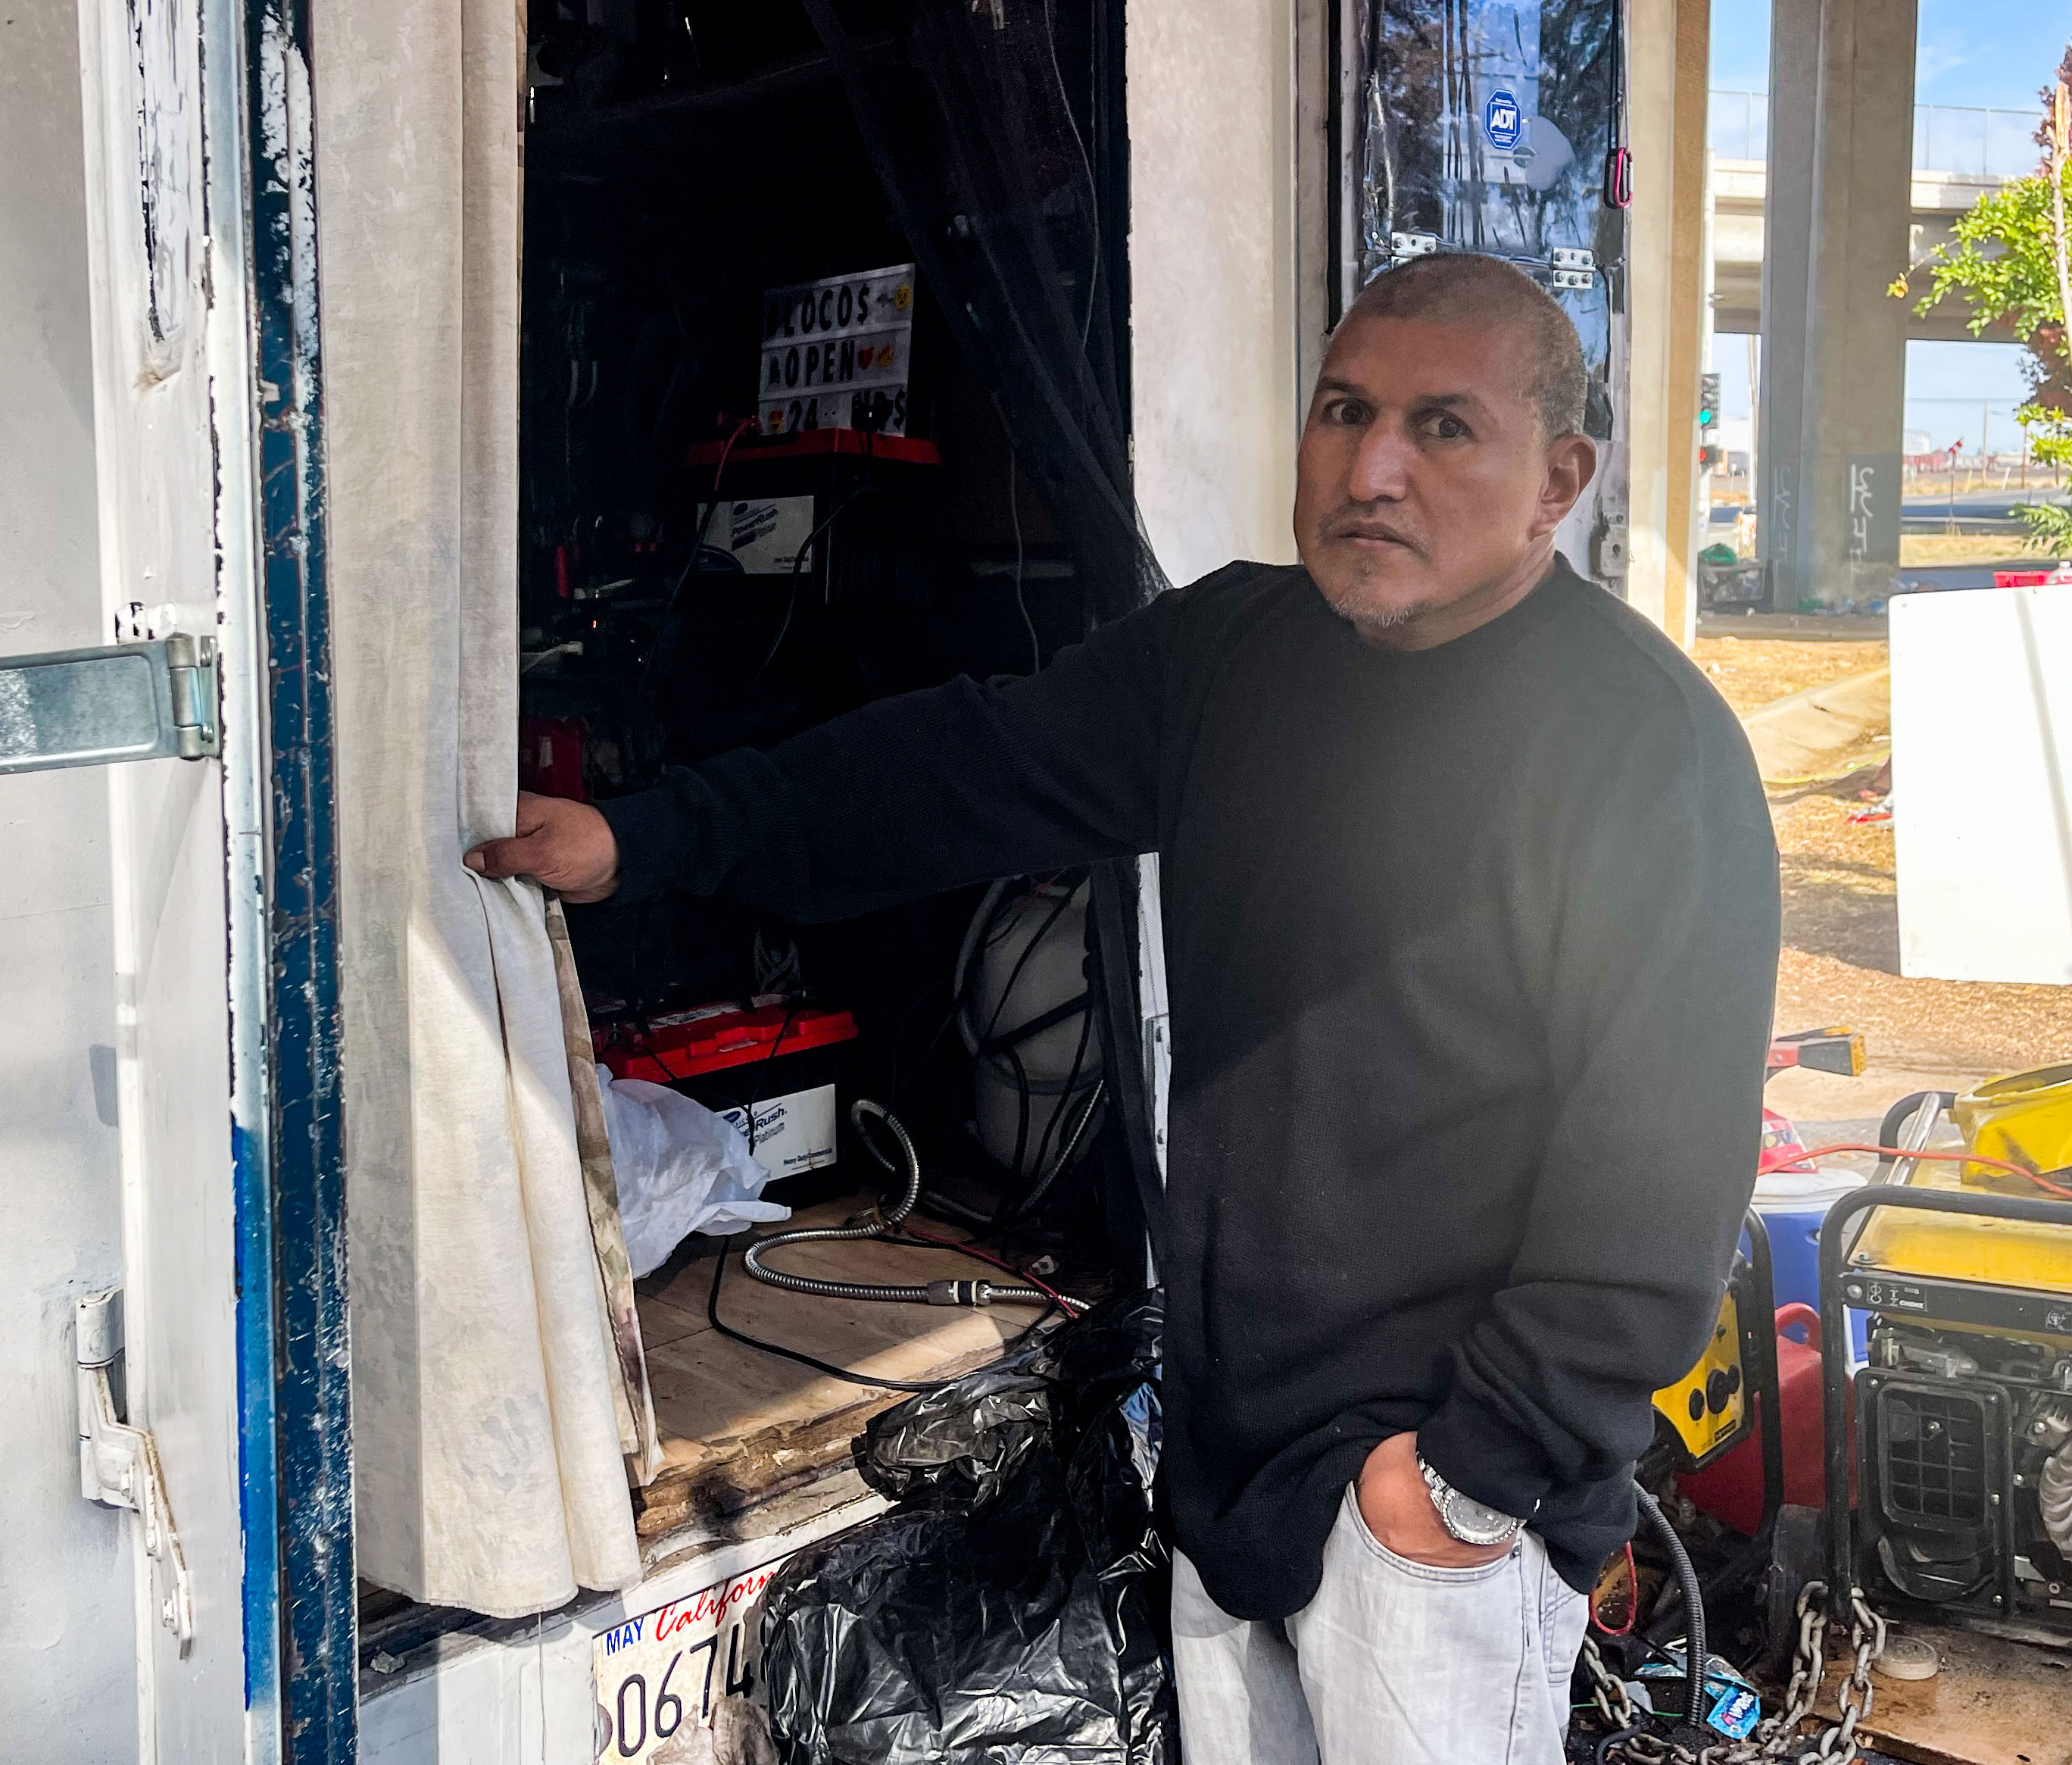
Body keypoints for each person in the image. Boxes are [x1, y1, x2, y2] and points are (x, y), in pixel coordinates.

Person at [467, 251, 1779, 1765]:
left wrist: (1459, 1480)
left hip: (1432, 1523)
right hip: (1229, 1470)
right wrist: (649, 836)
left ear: (1559, 478)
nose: (1369, 468)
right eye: (1341, 411)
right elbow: (955, 769)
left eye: (1441, 427)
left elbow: (1654, 1192)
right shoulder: (1231, 655)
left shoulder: (1642, 755)